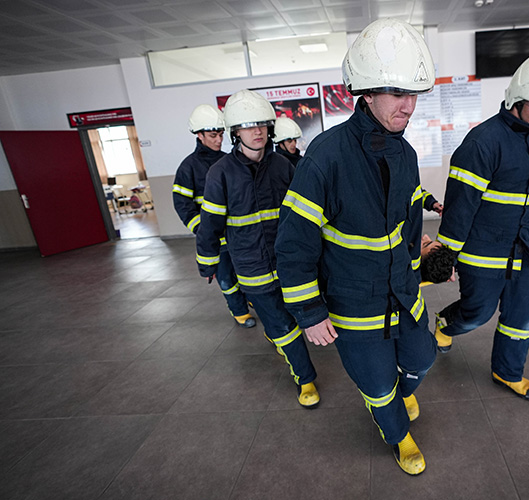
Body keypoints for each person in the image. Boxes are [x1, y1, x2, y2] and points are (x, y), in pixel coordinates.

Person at [275, 18, 437, 475]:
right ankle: (397, 435)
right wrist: (309, 312)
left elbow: (406, 215)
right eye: (397, 94)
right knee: (376, 383)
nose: (408, 106)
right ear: (366, 93)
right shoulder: (325, 156)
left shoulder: (404, 153)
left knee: (422, 357)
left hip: (403, 291)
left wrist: (418, 256)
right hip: (353, 300)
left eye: (413, 94)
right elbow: (293, 245)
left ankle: (401, 398)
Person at [434, 50, 529, 402]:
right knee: (476, 313)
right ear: (516, 97)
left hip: (523, 248)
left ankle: (507, 372)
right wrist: (447, 253)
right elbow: (460, 205)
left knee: (521, 318)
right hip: (482, 249)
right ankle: (444, 323)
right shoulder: (482, 142)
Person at [195, 90, 320, 408]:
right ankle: (305, 379)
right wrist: (207, 261)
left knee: (303, 313)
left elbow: (303, 211)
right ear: (235, 131)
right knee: (281, 324)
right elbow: (210, 223)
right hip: (252, 265)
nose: (258, 131)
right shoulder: (219, 173)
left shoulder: (283, 166)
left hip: (290, 261)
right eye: (249, 126)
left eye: (262, 124)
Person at [173, 104, 256, 328]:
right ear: (199, 135)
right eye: (212, 135)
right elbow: (182, 204)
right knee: (226, 277)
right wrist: (202, 229)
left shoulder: (229, 161)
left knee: (245, 271)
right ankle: (239, 311)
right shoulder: (187, 167)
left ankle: (250, 299)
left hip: (237, 233)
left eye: (220, 134)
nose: (219, 140)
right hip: (214, 238)